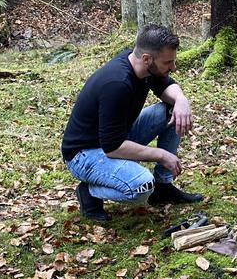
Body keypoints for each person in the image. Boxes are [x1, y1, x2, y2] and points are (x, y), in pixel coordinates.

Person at [61, 24, 203, 221]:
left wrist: (181, 101)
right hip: (85, 154)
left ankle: (163, 187)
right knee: (141, 187)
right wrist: (162, 155)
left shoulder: (143, 66)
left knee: (173, 112)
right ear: (147, 59)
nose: (173, 67)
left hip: (116, 137)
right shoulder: (117, 84)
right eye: (168, 62)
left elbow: (165, 85)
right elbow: (112, 147)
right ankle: (89, 191)